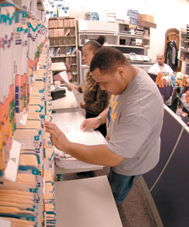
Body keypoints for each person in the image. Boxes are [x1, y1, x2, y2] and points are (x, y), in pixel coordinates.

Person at [46, 47, 164, 204]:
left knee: (112, 196)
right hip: (123, 148)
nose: (101, 88)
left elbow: (114, 156)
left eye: (103, 83)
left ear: (120, 72)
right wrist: (99, 119)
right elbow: (117, 104)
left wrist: (66, 146)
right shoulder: (129, 76)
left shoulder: (140, 106)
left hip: (131, 162)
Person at [69, 36, 109, 136]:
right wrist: (74, 88)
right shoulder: (89, 73)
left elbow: (100, 106)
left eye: (86, 55)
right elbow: (83, 88)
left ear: (96, 55)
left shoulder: (101, 77)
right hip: (89, 117)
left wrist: (84, 105)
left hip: (98, 121)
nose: (83, 58)